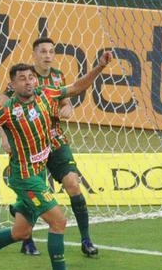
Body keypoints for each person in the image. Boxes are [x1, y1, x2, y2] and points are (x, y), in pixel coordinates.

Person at [0, 53, 116, 270]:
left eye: (31, 77)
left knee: (20, 233)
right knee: (58, 222)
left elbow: (77, 87)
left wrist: (99, 66)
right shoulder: (7, 111)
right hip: (25, 179)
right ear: (12, 86)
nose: (28, 81)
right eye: (21, 79)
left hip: (38, 173)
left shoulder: (47, 93)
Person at [9, 37, 99, 258]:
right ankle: (27, 239)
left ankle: (86, 239)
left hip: (56, 141)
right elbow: (3, 108)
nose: (47, 55)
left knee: (73, 184)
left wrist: (68, 106)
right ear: (34, 54)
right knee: (34, 192)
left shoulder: (58, 77)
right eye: (43, 52)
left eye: (51, 52)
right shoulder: (24, 78)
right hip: (31, 147)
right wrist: (4, 135)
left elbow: (66, 98)